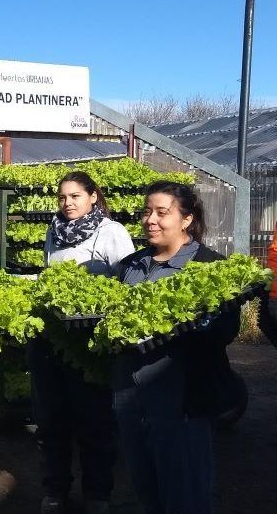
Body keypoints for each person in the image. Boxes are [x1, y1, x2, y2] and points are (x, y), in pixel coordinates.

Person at [113, 181, 241, 514]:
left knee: (187, 494)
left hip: (184, 401)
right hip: (132, 398)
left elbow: (226, 329)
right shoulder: (131, 265)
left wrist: (186, 325)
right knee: (147, 489)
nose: (150, 220)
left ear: (186, 219)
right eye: (146, 211)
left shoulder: (211, 267)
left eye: (161, 212)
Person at [31, 171, 135, 514]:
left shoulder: (112, 233)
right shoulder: (54, 229)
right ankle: (55, 491)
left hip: (92, 345)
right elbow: (49, 276)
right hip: (54, 342)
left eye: (75, 196)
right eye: (62, 197)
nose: (68, 203)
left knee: (95, 423)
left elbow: (126, 285)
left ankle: (98, 494)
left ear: (92, 197)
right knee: (52, 420)